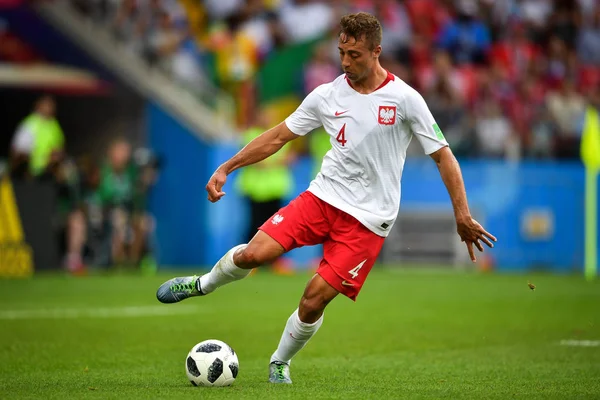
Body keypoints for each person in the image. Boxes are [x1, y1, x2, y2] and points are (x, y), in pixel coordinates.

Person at [156, 12, 496, 384]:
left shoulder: (405, 99)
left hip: (369, 221)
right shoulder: (326, 95)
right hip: (322, 198)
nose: (346, 62)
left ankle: (280, 362)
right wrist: (227, 167)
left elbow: (444, 156)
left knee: (313, 299)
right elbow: (277, 137)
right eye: (341, 53)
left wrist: (461, 215)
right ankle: (202, 284)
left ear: (377, 51)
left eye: (355, 55)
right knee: (255, 254)